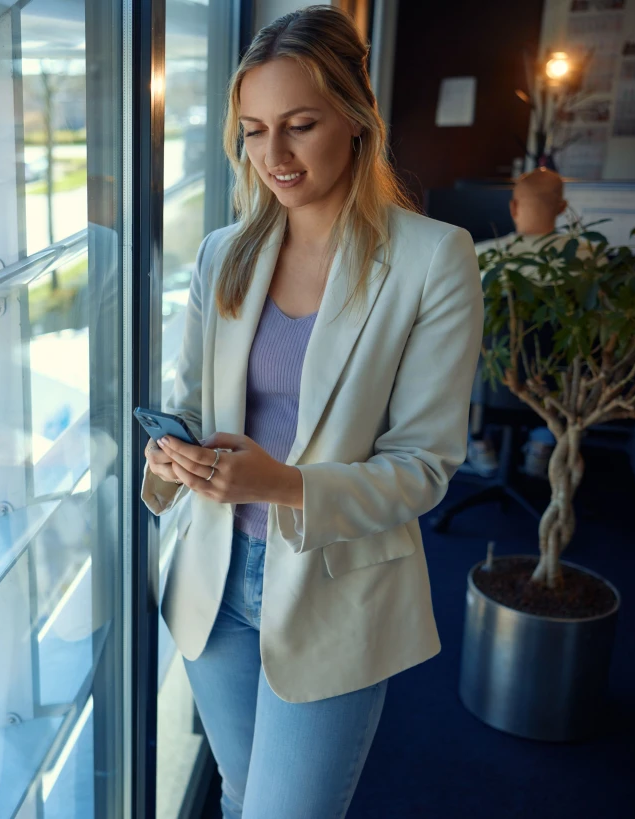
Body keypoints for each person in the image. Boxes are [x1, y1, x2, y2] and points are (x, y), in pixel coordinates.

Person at [140, 8, 483, 818]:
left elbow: (425, 466)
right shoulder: (225, 253)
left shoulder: (433, 258)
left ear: (357, 119)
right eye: (255, 132)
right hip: (214, 577)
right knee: (238, 792)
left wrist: (284, 484)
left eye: (299, 125)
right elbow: (189, 403)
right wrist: (171, 457)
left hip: (333, 584)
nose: (275, 156)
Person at [467, 168, 574, 477]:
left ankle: (479, 442)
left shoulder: (479, 256)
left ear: (513, 207)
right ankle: (543, 442)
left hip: (487, 387)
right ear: (562, 208)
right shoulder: (588, 258)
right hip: (555, 391)